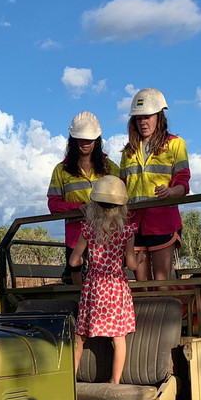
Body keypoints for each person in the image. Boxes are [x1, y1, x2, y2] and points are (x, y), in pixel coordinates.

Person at [70, 175, 137, 383]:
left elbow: (73, 262)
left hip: (95, 285)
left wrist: (84, 260)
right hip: (117, 286)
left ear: (95, 205)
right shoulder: (126, 231)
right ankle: (114, 381)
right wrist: (140, 258)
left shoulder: (89, 230)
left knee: (80, 336)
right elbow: (132, 265)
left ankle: (69, 380)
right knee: (118, 337)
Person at [120, 87, 191, 281]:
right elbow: (121, 187)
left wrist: (170, 191)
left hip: (162, 222)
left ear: (159, 116)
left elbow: (183, 182)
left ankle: (169, 311)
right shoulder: (128, 151)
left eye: (148, 116)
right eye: (138, 118)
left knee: (162, 283)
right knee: (142, 286)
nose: (143, 122)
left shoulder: (176, 144)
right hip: (134, 224)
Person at [47, 111, 120, 283]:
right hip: (75, 239)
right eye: (80, 138)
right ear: (73, 140)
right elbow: (53, 204)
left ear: (97, 140)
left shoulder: (111, 168)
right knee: (77, 291)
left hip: (106, 238)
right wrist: (75, 207)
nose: (85, 143)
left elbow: (123, 198)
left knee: (104, 287)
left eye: (90, 139)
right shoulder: (61, 170)